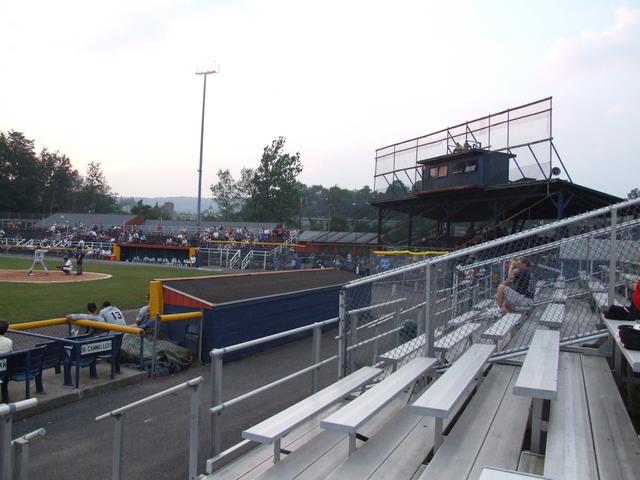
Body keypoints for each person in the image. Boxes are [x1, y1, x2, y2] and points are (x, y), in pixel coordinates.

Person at [604, 247, 640, 321]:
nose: (636, 253)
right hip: (635, 309)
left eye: (638, 251)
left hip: (637, 311)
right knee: (612, 310)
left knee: (613, 313)